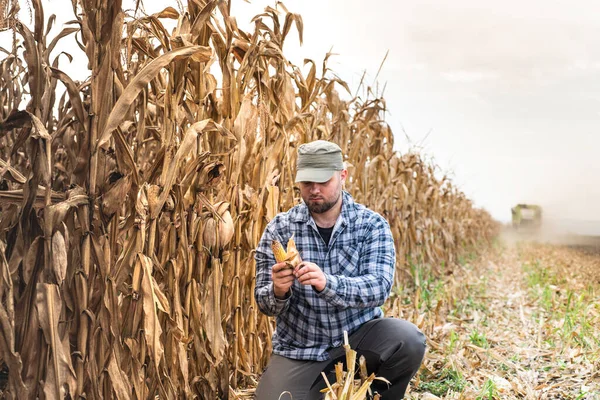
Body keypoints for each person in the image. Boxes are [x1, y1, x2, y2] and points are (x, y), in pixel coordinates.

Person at [254, 140, 426, 399]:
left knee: (407, 340)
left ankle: (372, 394)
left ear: (343, 175)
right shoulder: (279, 229)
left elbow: (378, 288)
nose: (314, 190)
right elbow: (264, 304)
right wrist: (278, 291)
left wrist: (327, 283)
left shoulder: (371, 225)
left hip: (358, 340)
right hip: (301, 350)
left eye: (323, 181)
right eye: (307, 182)